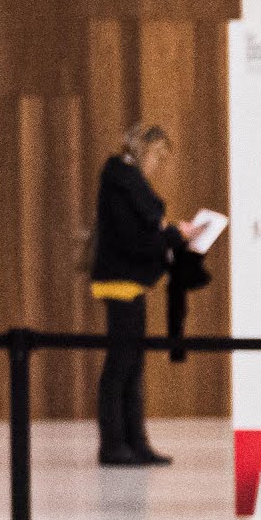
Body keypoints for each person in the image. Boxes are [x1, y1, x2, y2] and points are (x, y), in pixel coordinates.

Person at [89, 119, 196, 467]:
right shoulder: (122, 183)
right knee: (120, 365)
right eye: (157, 156)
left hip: (131, 281)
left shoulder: (125, 183)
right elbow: (132, 240)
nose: (159, 166)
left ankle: (136, 443)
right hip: (120, 281)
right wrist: (174, 236)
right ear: (142, 150)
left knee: (132, 366)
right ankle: (114, 445)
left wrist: (170, 233)